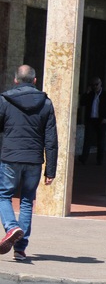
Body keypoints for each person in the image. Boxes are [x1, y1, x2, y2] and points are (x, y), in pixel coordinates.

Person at [0, 64, 58, 261]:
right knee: (26, 201)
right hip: (34, 160)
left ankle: (11, 227)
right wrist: (51, 170)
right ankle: (20, 248)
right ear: (35, 81)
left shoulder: (5, 100)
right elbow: (51, 139)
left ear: (15, 80)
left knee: (3, 195)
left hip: (10, 157)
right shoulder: (46, 103)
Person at [79, 77, 106, 165]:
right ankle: (83, 158)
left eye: (97, 84)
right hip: (91, 119)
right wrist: (86, 92)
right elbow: (82, 103)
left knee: (101, 140)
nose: (95, 86)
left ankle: (100, 160)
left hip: (101, 120)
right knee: (87, 139)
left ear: (101, 84)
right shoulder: (90, 94)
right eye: (93, 85)